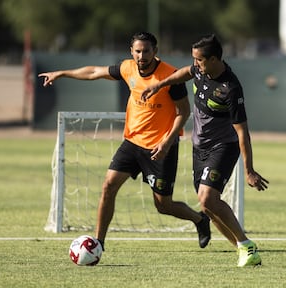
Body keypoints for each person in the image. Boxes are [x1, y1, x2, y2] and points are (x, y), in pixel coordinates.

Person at [38, 32, 211, 251]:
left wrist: (167, 142)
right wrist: (62, 73)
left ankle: (200, 220)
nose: (142, 55)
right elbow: (94, 72)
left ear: (155, 52)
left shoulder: (170, 76)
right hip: (132, 143)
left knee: (163, 205)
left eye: (146, 51)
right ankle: (98, 243)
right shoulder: (127, 68)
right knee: (108, 185)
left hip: (161, 147)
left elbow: (184, 112)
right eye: (137, 51)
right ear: (131, 52)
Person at [141, 34, 269, 267]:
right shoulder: (201, 70)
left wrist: (249, 170)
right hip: (199, 146)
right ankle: (244, 249)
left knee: (207, 197)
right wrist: (160, 84)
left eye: (199, 60)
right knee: (208, 207)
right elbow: (186, 72)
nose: (195, 64)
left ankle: (247, 246)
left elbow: (242, 132)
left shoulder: (231, 89)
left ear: (213, 59)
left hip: (223, 146)